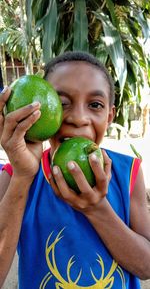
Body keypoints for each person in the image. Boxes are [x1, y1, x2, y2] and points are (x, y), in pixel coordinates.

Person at [0, 51, 150, 289]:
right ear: (36, 111)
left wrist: (96, 209)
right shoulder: (17, 174)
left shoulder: (129, 172)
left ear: (110, 115)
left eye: (95, 105)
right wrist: (22, 177)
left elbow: (146, 266)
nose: (79, 118)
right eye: (61, 104)